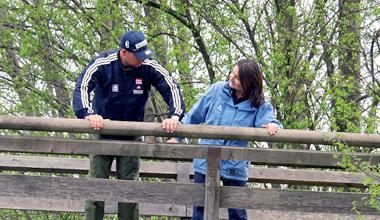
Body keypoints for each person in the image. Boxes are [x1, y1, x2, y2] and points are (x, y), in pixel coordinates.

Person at [72, 30, 186, 220]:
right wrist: (88, 115)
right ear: (124, 52)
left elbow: (171, 87)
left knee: (130, 189)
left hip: (132, 134)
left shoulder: (148, 65)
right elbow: (82, 87)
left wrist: (175, 116)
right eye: (138, 56)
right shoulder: (103, 63)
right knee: (96, 186)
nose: (143, 59)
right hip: (102, 133)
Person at [167, 59, 283, 220]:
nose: (231, 78)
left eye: (236, 77)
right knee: (200, 209)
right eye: (232, 73)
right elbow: (194, 115)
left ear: (249, 82)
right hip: (206, 160)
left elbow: (269, 123)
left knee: (237, 211)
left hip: (236, 163)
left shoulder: (260, 105)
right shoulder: (216, 90)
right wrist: (177, 138)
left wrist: (272, 126)